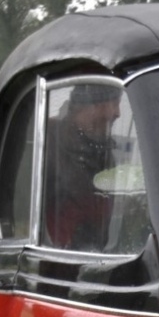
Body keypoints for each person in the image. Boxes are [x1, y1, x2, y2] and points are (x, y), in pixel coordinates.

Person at [43, 83, 123, 251]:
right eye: (115, 103)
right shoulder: (47, 145)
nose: (118, 113)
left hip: (97, 256)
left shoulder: (105, 153)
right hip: (59, 258)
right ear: (93, 105)